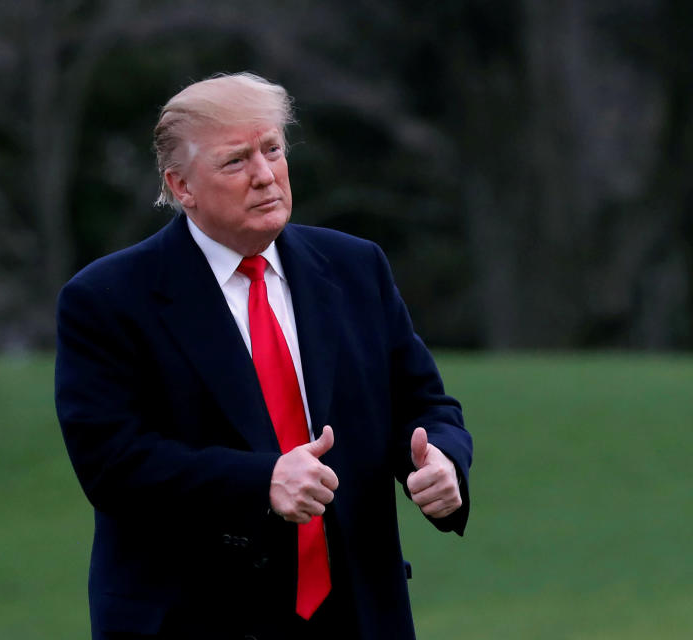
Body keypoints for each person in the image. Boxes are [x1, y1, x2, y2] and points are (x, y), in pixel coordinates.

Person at [55, 72, 472, 640]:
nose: (264, 175)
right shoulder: (107, 298)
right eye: (235, 162)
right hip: (193, 618)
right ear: (182, 187)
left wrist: (443, 462)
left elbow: (424, 403)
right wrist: (260, 482)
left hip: (357, 614)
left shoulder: (355, 267)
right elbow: (113, 465)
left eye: (272, 149)